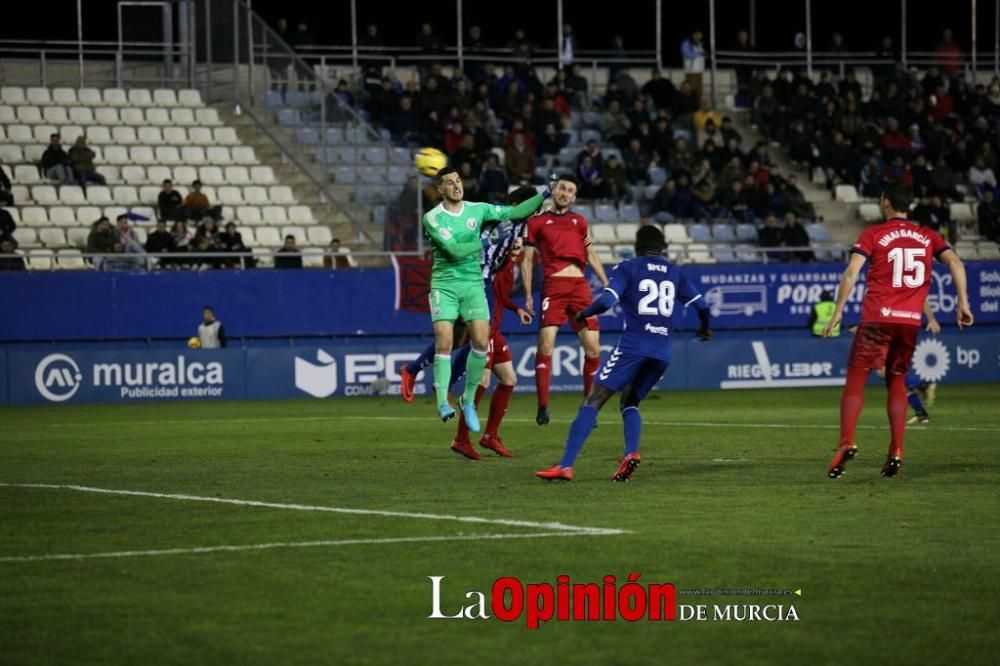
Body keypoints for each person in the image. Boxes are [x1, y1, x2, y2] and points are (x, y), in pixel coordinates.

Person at [537, 225, 712, 481]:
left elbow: (607, 302)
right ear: (662, 247)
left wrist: (584, 313)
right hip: (662, 351)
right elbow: (704, 306)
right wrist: (705, 329)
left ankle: (565, 465)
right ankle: (631, 453)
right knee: (629, 401)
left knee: (593, 400)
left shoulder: (628, 268)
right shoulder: (675, 273)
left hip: (633, 346)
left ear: (637, 246)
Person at [824, 183, 973, 479]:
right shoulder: (927, 236)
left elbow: (852, 272)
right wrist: (963, 303)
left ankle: (846, 442)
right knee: (896, 381)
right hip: (908, 322)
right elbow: (955, 261)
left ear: (886, 203)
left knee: (856, 376)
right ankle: (896, 452)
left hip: (877, 318)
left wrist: (839, 310)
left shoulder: (874, 234)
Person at [420, 166, 546, 430]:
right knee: (445, 341)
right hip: (445, 286)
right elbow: (454, 250)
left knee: (480, 341)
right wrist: (485, 243)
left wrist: (545, 192)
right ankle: (443, 401)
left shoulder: (478, 208)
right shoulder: (433, 218)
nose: (456, 185)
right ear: (440, 189)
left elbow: (515, 211)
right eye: (450, 183)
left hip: (473, 285)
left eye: (458, 180)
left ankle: (468, 400)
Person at [449, 186, 538, 460]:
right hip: (486, 328)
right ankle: (462, 439)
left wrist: (515, 308)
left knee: (509, 379)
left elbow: (498, 297)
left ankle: (490, 435)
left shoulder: (506, 264)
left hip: (495, 329)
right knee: (482, 379)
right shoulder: (495, 261)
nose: (518, 245)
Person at [522, 174, 610, 426]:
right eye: (562, 188)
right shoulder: (537, 222)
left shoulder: (579, 222)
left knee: (593, 349)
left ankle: (588, 408)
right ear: (555, 190)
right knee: (546, 345)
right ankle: (542, 405)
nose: (565, 193)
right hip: (554, 287)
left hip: (580, 288)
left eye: (570, 190)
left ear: (574, 196)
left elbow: (590, 254)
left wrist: (606, 283)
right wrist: (528, 294)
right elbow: (527, 261)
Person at [681, 31, 706, 98]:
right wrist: (698, 54)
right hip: (691, 71)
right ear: (694, 35)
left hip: (699, 71)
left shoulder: (699, 44)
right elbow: (686, 53)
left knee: (699, 90)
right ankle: (690, 105)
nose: (699, 38)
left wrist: (704, 54)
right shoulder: (686, 43)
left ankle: (698, 105)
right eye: (698, 36)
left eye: (700, 37)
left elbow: (703, 54)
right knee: (691, 89)